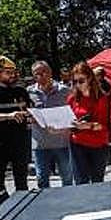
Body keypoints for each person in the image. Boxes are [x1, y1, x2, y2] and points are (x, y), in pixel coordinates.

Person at [0, 54, 30, 204]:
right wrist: (9, 116)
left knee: (21, 179)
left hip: (19, 142)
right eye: (8, 73)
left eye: (13, 72)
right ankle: (4, 204)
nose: (12, 76)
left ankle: (24, 207)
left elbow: (31, 112)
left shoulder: (21, 91)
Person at [27, 60, 73, 188]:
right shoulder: (29, 93)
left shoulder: (64, 91)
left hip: (62, 142)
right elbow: (26, 114)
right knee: (42, 179)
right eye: (37, 74)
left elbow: (73, 113)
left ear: (50, 72)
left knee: (67, 178)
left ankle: (69, 206)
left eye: (44, 72)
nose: (41, 76)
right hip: (40, 144)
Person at [66, 62, 111, 184]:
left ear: (90, 78)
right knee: (81, 182)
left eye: (81, 81)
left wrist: (86, 125)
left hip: (98, 145)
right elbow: (68, 121)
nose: (78, 85)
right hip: (77, 143)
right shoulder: (72, 99)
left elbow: (103, 126)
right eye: (75, 82)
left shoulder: (101, 98)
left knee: (97, 182)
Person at [93, 65, 111, 167]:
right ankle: (108, 158)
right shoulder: (102, 84)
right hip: (101, 114)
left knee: (104, 137)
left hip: (103, 114)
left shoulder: (103, 85)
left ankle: (108, 159)